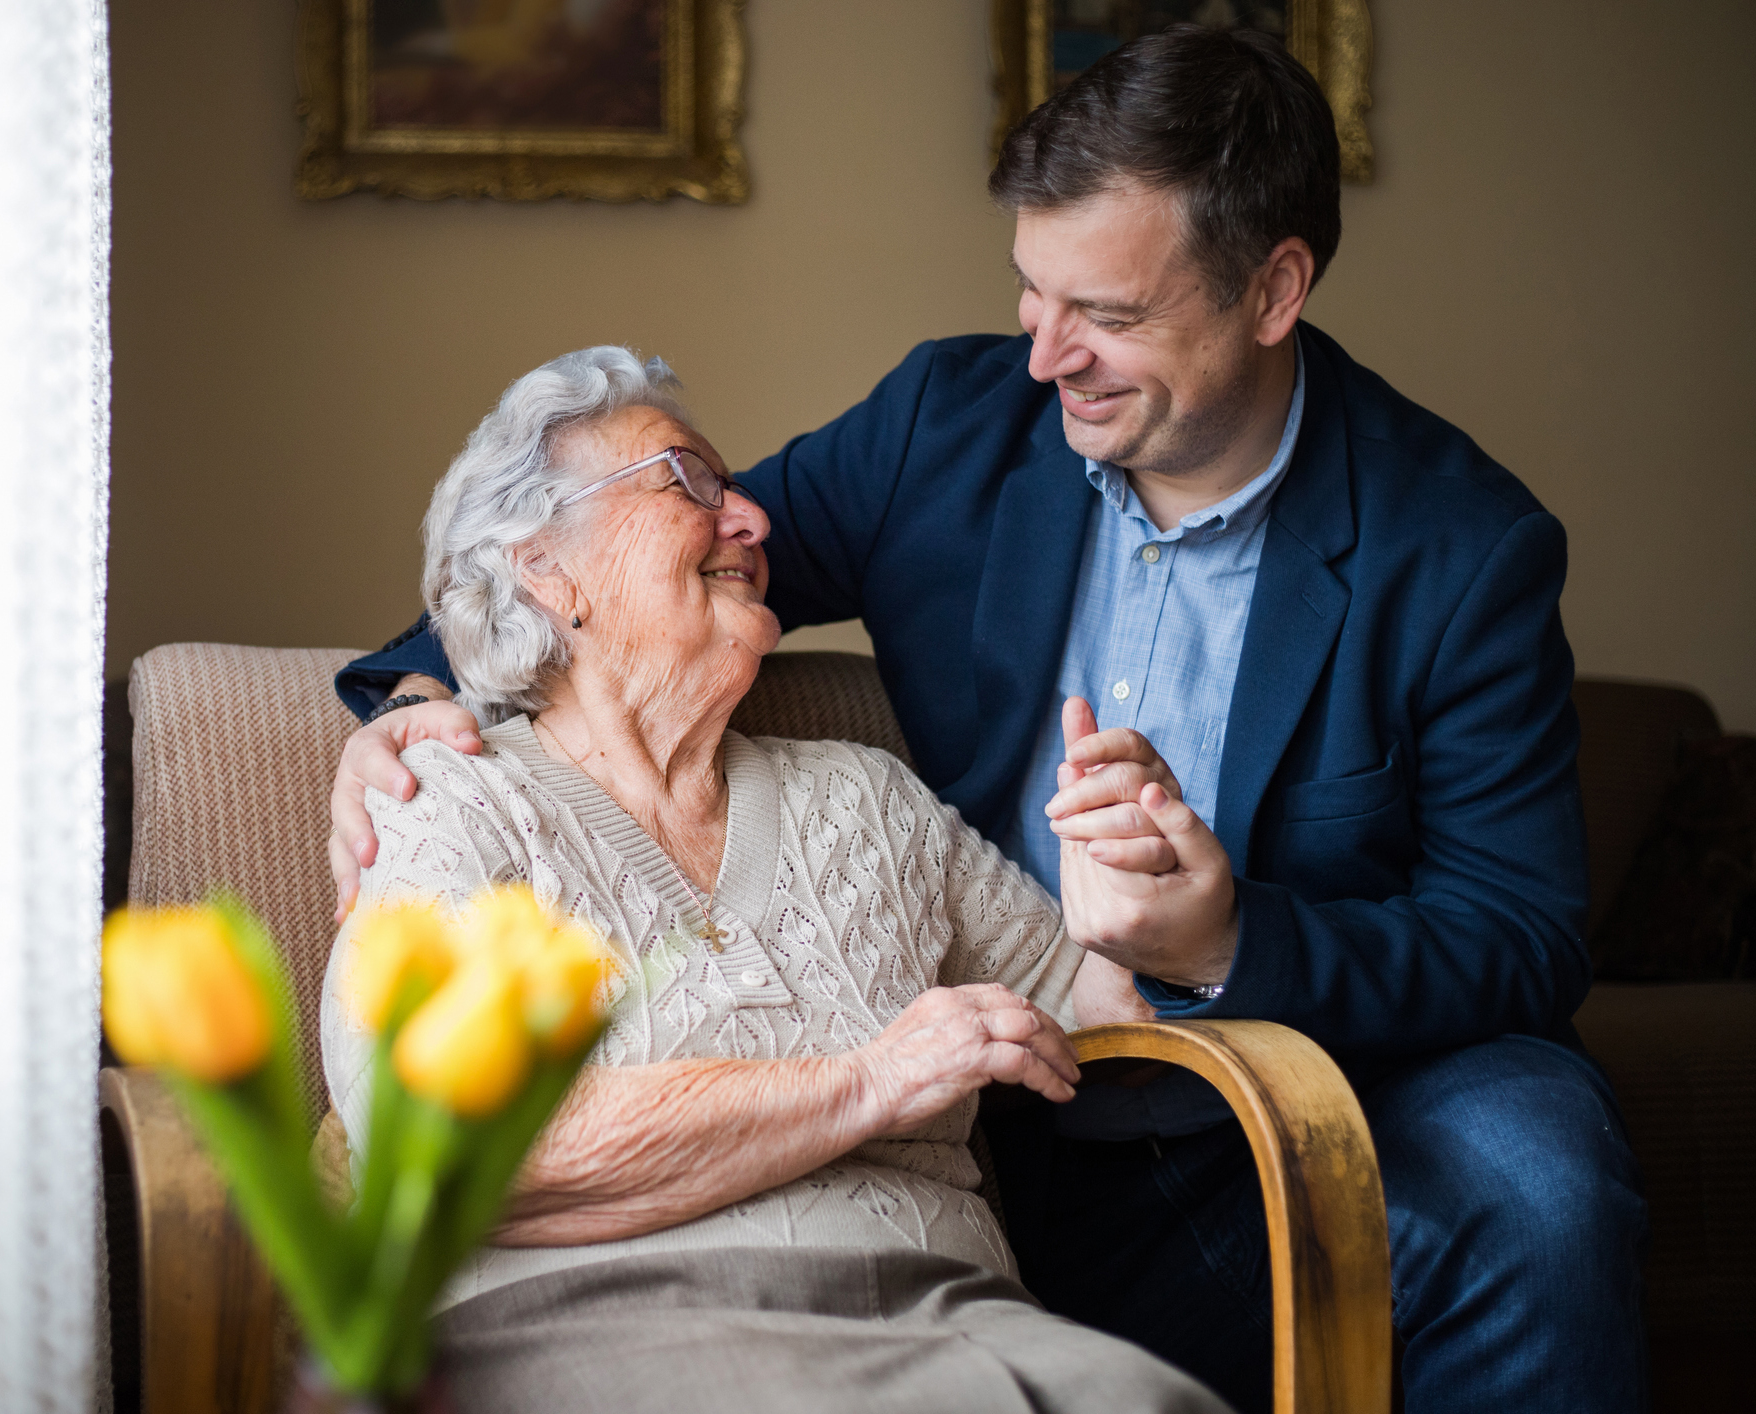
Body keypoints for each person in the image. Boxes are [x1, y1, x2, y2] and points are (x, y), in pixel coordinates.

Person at [330, 26, 1647, 1414]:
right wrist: (419, 699)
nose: (1046, 356)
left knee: (1538, 1177)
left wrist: (1228, 939)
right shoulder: (944, 432)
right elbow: (640, 552)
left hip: (1318, 1079)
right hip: (1016, 1130)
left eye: (1110, 316)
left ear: (1273, 288)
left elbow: (1522, 931)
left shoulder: (1456, 544)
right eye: (1030, 291)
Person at [321, 344, 1226, 1414]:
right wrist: (871, 1081)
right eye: (691, 483)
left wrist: (1158, 902)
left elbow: (1095, 1007)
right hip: (600, 1332)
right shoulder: (453, 803)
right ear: (546, 569)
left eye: (740, 489)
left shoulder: (870, 799)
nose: (750, 519)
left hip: (952, 1319)